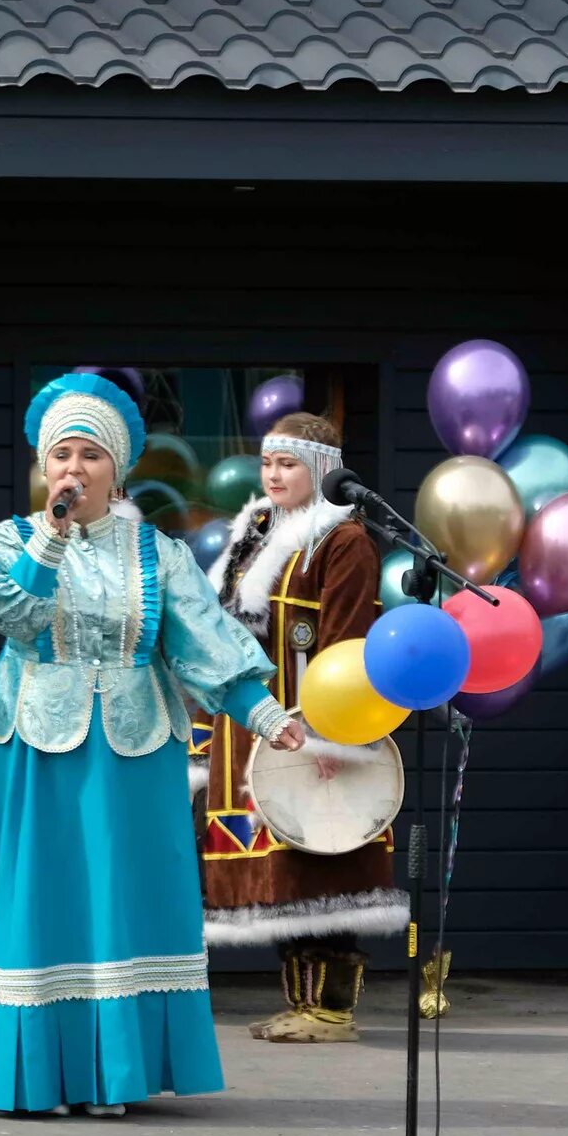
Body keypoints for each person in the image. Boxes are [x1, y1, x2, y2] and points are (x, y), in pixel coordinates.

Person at [0, 372, 306, 1116]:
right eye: (61, 456)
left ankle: (113, 1073)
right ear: (43, 468)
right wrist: (48, 538)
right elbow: (12, 611)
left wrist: (269, 716)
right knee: (46, 900)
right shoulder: (8, 541)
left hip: (134, 753)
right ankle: (38, 1071)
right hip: (39, 752)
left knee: (119, 899)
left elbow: (206, 644)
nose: (73, 469)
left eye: (90, 456)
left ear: (118, 468)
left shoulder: (158, 554)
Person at [198, 412, 405, 1041]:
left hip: (313, 723)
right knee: (278, 874)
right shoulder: (258, 529)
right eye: (267, 463)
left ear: (321, 469)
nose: (273, 474)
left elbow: (346, 643)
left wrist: (328, 731)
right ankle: (301, 1004)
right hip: (253, 728)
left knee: (325, 859)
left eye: (288, 463)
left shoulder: (345, 540)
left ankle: (334, 1010)